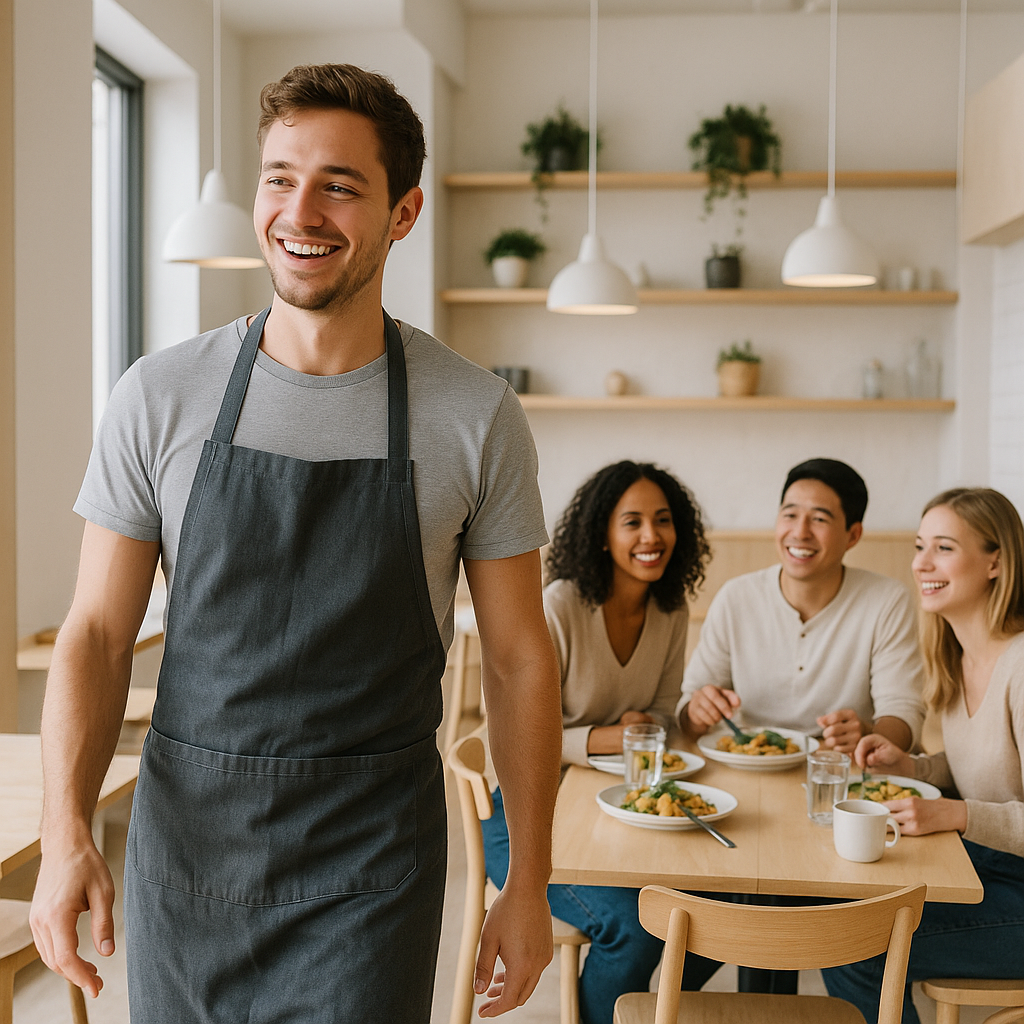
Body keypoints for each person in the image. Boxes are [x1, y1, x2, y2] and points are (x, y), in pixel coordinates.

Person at [29, 64, 563, 1023]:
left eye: (339, 186)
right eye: (280, 177)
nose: (299, 210)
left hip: (371, 868)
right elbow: (98, 636)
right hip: (189, 854)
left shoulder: (473, 416)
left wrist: (529, 883)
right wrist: (66, 829)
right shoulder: (159, 395)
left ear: (403, 213)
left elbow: (524, 660)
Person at [482, 461, 718, 1024]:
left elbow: (661, 717)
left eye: (663, 521)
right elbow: (518, 733)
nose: (650, 536)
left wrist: (650, 724)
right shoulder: (563, 604)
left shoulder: (671, 610)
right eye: (631, 522)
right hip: (522, 817)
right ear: (602, 535)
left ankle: (636, 1010)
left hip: (609, 815)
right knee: (637, 928)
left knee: (717, 910)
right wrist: (612, 736)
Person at [823, 487, 1024, 1024]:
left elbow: (975, 803)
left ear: (995, 562)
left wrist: (955, 814)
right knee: (842, 907)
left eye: (944, 548)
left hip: (1012, 882)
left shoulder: (1022, 668)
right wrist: (911, 768)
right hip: (990, 867)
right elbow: (984, 770)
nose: (922, 563)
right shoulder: (958, 657)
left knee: (854, 942)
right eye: (919, 546)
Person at [679, 457, 926, 755]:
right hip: (746, 760)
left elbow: (903, 711)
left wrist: (870, 735)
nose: (800, 532)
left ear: (853, 535)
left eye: (819, 519)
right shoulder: (736, 597)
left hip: (839, 767)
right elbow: (687, 712)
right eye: (790, 515)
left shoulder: (886, 600)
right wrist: (696, 711)